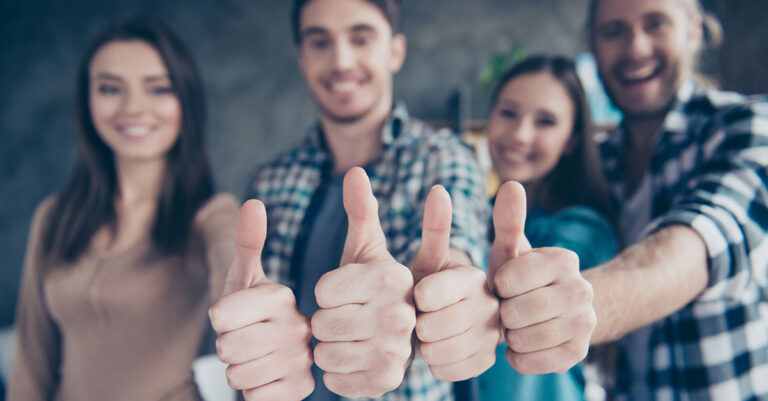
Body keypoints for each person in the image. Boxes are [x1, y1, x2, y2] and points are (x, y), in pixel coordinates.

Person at [209, 0, 597, 400]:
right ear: (301, 56)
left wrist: (438, 296)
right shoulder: (270, 180)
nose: (341, 59)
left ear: (395, 50)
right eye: (320, 41)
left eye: (361, 38)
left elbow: (456, 250)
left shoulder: (443, 157)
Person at [8, 17, 239, 401]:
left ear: (186, 100)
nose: (133, 107)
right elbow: (31, 365)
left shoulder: (212, 217)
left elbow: (236, 277)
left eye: (159, 88)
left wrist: (252, 302)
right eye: (111, 88)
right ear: (88, 100)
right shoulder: (53, 217)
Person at [582, 0, 768, 399]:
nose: (636, 48)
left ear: (693, 31)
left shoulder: (748, 126)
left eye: (655, 24)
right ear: (593, 47)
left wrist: (572, 308)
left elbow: (704, 240)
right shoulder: (598, 163)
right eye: (614, 31)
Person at [478, 55, 618, 401]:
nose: (520, 135)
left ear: (571, 139)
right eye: (508, 113)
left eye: (546, 121)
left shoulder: (582, 231)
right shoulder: (475, 215)